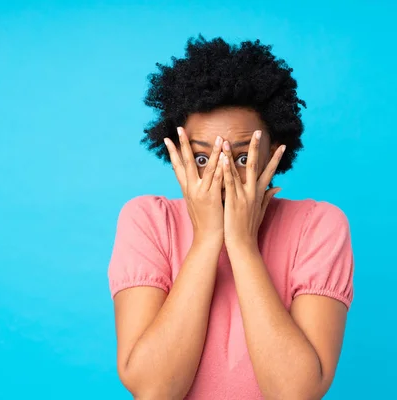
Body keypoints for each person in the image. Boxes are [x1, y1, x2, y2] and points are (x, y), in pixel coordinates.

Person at [107, 35, 354, 400]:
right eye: (203, 158)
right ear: (178, 155)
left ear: (275, 154)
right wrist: (208, 239)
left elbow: (296, 393)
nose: (222, 178)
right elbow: (153, 390)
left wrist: (241, 244)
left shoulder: (319, 226)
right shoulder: (147, 221)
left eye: (243, 158)